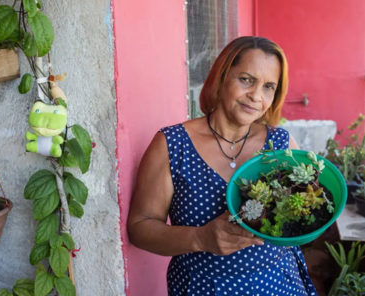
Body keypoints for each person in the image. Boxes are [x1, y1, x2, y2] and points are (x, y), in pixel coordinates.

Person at [127, 36, 317, 296]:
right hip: (204, 287)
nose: (256, 96)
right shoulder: (172, 144)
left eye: (268, 87)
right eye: (246, 79)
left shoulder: (281, 144)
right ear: (221, 76)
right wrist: (200, 238)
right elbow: (140, 227)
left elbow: (304, 211)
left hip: (278, 284)